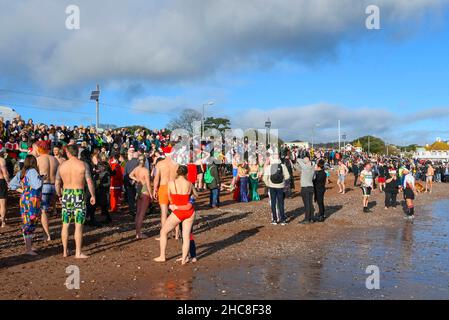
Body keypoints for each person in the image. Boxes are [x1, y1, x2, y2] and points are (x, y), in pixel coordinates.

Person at [55, 144, 96, 259]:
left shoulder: (62, 166)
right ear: (77, 152)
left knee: (65, 224)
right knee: (78, 225)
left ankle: (64, 251)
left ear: (68, 153)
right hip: (79, 194)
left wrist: (59, 195)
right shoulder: (83, 165)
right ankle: (78, 252)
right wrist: (92, 195)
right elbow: (89, 182)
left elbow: (57, 183)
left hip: (67, 194)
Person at [154, 165, 196, 265]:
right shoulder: (190, 184)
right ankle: (184, 259)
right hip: (189, 211)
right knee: (186, 237)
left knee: (163, 232)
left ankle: (162, 256)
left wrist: (174, 204)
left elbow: (170, 197)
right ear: (186, 173)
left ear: (177, 173)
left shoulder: (171, 183)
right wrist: (191, 199)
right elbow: (195, 195)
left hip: (178, 211)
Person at [9, 155, 43, 255]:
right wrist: (42, 179)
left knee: (26, 221)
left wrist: (23, 190)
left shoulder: (22, 172)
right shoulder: (33, 171)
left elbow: (11, 185)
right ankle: (28, 249)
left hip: (24, 199)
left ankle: (28, 246)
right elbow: (37, 185)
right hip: (33, 200)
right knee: (31, 222)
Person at [34, 141, 59, 241]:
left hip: (44, 186)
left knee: (43, 211)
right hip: (54, 187)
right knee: (48, 210)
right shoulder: (55, 159)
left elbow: (34, 176)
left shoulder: (38, 160)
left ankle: (46, 234)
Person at [153, 147, 178, 233]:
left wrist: (154, 189)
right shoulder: (176, 164)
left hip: (163, 187)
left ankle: (164, 234)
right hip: (174, 187)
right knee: (175, 211)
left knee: (164, 213)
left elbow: (156, 178)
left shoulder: (160, 164)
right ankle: (177, 234)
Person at [263, 153, 290, 225]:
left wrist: (268, 184)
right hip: (280, 187)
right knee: (281, 203)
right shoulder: (283, 166)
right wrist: (283, 182)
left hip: (272, 187)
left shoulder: (269, 167)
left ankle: (274, 219)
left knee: (273, 203)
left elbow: (264, 178)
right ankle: (283, 220)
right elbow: (287, 176)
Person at [129, 154, 152, 239]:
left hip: (138, 190)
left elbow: (130, 175)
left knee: (138, 213)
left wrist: (136, 179)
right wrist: (151, 194)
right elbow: (148, 184)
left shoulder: (136, 169)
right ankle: (139, 233)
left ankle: (137, 232)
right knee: (142, 214)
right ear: (145, 160)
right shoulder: (145, 170)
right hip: (144, 190)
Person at [295, 157, 315, 224]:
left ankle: (307, 219)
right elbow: (314, 177)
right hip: (311, 187)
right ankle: (311, 218)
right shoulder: (313, 168)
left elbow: (298, 160)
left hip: (305, 188)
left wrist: (304, 161)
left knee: (307, 204)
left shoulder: (305, 167)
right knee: (310, 203)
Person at [124, 151, 139, 216]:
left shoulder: (127, 163)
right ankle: (138, 210)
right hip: (136, 181)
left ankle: (131, 210)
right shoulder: (138, 163)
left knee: (130, 197)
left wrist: (126, 182)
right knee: (138, 196)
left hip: (128, 182)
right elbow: (138, 172)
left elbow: (125, 173)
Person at [0, 148, 9, 228]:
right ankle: (3, 222)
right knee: (2, 203)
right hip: (1, 181)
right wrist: (8, 182)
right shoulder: (1, 160)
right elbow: (5, 173)